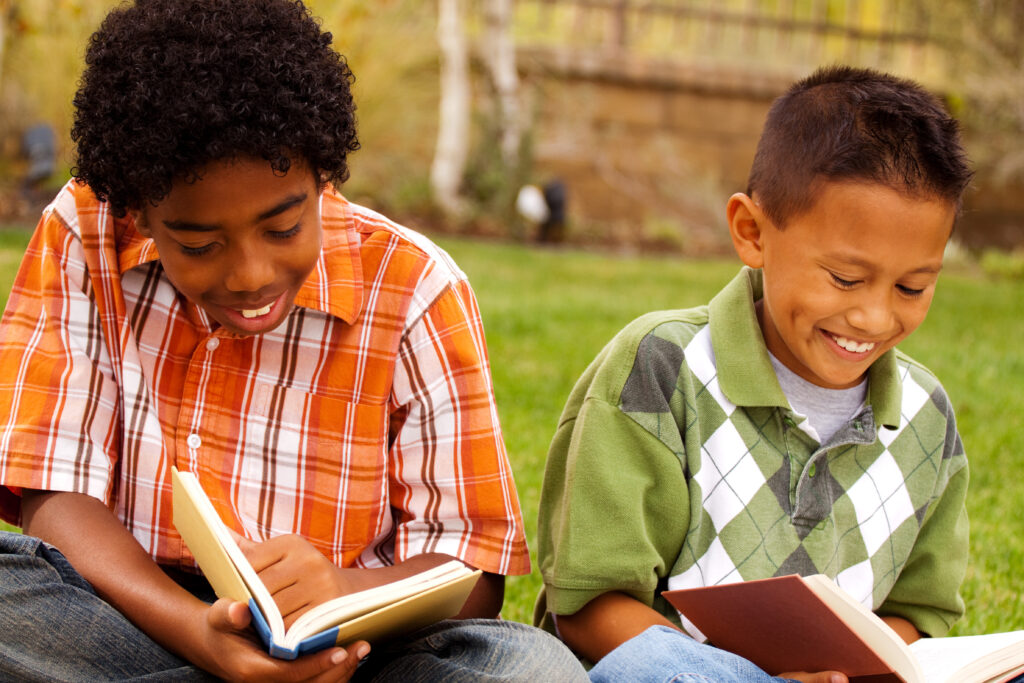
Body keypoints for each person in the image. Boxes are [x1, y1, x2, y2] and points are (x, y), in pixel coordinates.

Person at [0, 1, 587, 681]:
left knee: (530, 670)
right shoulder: (83, 231)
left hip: (351, 651)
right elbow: (53, 498)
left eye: (282, 228)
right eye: (197, 243)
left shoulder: (417, 287)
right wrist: (200, 634)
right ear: (138, 210)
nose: (251, 276)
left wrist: (340, 590)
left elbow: (471, 576)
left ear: (321, 174)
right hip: (136, 615)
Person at [534, 65, 973, 683]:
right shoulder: (661, 368)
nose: (874, 315)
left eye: (912, 286)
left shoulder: (926, 415)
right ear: (751, 233)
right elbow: (588, 607)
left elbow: (915, 613)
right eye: (845, 279)